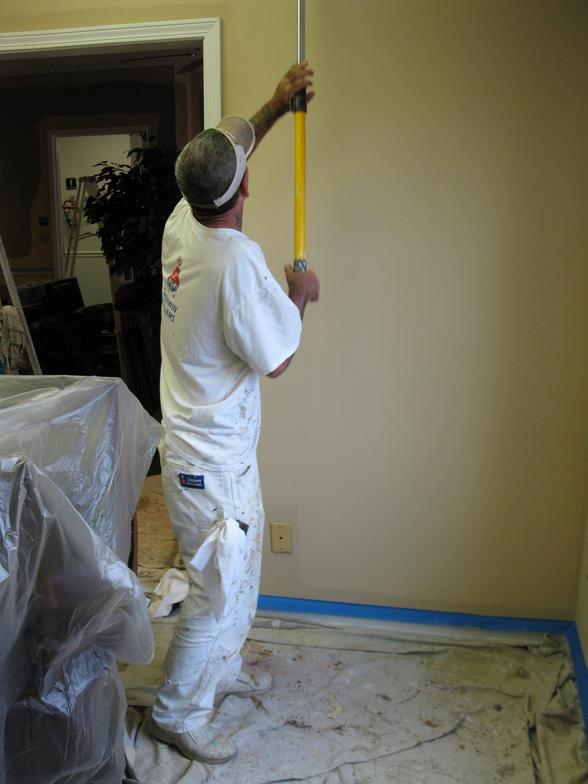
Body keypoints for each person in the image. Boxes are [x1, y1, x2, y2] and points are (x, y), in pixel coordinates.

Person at [149, 63, 320, 765]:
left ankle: (217, 677)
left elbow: (233, 142)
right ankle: (174, 714)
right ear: (244, 190)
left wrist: (278, 104)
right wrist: (301, 292)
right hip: (211, 468)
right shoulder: (236, 265)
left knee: (240, 580)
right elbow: (277, 361)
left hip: (213, 455)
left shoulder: (180, 219)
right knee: (214, 596)